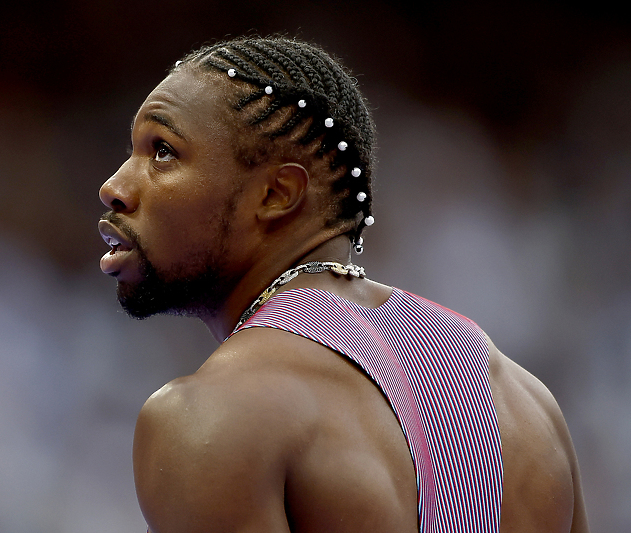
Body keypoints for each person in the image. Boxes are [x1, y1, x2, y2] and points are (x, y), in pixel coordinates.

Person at [98, 36, 589, 533]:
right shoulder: (528, 404)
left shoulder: (207, 419)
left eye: (162, 152)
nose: (114, 188)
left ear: (276, 194)